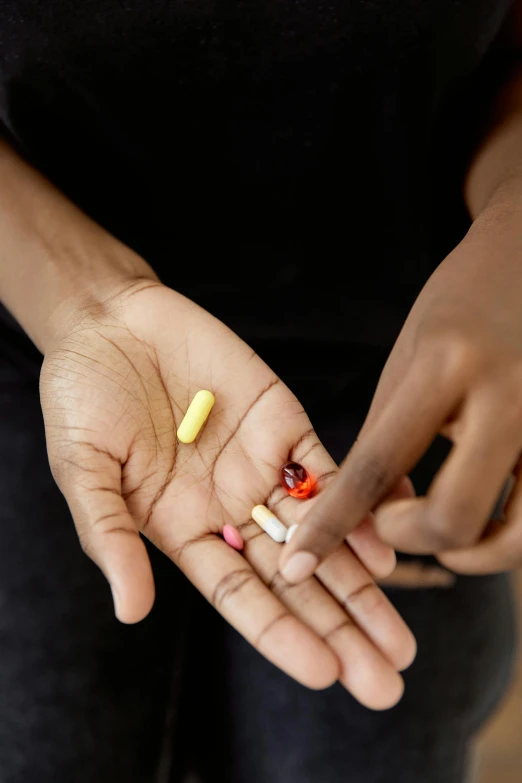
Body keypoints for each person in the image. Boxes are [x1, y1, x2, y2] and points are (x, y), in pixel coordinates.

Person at [0, 0, 520, 781]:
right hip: (39, 332)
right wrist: (80, 299)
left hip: (414, 356)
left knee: (363, 745)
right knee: (48, 745)